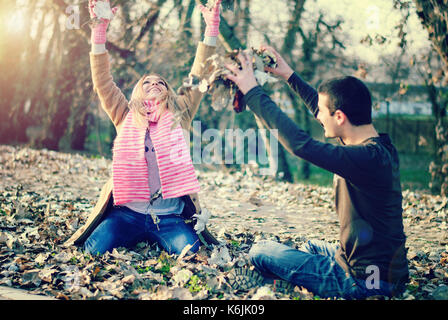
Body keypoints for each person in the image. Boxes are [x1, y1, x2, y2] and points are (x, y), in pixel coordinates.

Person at [224, 46, 409, 299]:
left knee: (261, 250)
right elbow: (325, 111)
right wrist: (289, 75)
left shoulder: (366, 159)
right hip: (380, 269)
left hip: (366, 282)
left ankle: (292, 281)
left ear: (341, 117)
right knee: (311, 246)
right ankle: (299, 275)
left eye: (323, 112)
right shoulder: (376, 146)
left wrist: (253, 92)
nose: (318, 116)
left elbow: (301, 145)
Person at [63, 0, 222, 255]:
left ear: (168, 91)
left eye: (161, 82)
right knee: (93, 251)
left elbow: (198, 74)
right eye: (147, 82)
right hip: (127, 214)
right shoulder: (124, 114)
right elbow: (102, 81)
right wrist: (99, 31)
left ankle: (157, 237)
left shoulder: (181, 112)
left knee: (191, 254)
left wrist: (211, 29)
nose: (155, 83)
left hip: (170, 218)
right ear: (138, 90)